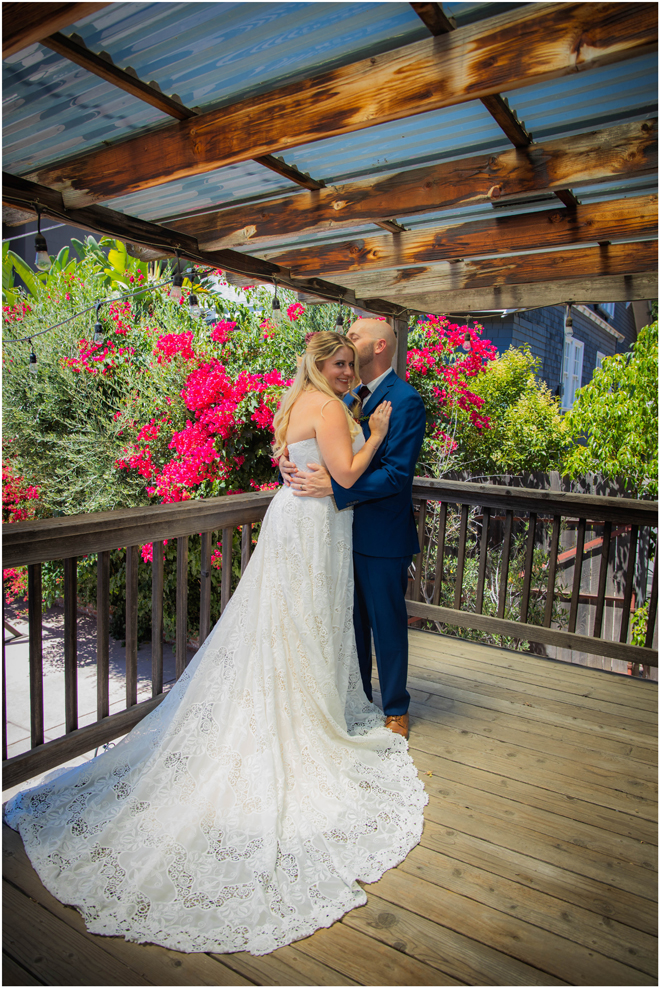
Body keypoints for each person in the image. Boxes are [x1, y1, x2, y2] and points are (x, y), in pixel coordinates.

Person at [5, 331, 426, 957]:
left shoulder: (297, 401)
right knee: (305, 622)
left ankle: (303, 702)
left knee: (290, 624)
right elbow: (345, 471)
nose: (349, 369)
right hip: (314, 525)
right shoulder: (332, 404)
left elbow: (303, 460)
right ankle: (303, 716)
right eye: (340, 362)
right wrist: (373, 434)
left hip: (297, 522)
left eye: (352, 361)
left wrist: (326, 463)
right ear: (321, 365)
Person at [281, 319, 426, 741]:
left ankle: (396, 708)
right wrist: (286, 462)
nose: (349, 339)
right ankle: (357, 700)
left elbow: (397, 474)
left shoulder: (405, 400)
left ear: (379, 346)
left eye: (356, 336)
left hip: (381, 535)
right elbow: (316, 445)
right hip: (335, 532)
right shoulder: (340, 396)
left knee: (387, 624)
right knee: (348, 625)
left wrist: (337, 488)